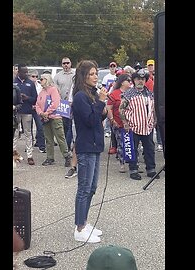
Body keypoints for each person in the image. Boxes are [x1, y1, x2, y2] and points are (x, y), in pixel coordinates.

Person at [72, 60, 107, 243]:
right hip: (86, 147)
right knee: (84, 189)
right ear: (84, 76)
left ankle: (84, 221)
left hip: (95, 146)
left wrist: (102, 104)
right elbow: (90, 120)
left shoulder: (92, 94)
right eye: (92, 74)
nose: (95, 77)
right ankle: (79, 228)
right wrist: (100, 102)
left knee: (92, 188)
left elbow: (100, 116)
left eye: (96, 73)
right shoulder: (80, 97)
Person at [119, 69, 159, 180]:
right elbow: (121, 108)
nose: (140, 81)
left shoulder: (150, 94)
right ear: (134, 80)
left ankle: (151, 169)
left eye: (142, 79)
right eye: (138, 79)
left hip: (148, 126)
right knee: (133, 149)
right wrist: (125, 123)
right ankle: (133, 170)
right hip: (134, 126)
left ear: (145, 80)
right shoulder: (128, 94)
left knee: (150, 149)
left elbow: (153, 108)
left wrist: (154, 119)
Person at [35, 73, 72, 167]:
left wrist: (47, 112)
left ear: (47, 80)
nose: (40, 81)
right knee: (48, 138)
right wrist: (41, 113)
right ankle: (50, 157)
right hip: (45, 118)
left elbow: (56, 103)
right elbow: (37, 104)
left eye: (42, 79)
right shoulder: (41, 92)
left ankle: (66, 156)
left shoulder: (53, 90)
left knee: (60, 138)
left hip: (55, 117)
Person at [13, 64, 38, 166]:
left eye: (27, 71)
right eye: (24, 72)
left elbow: (35, 98)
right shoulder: (14, 82)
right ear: (18, 72)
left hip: (27, 111)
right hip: (15, 111)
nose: (26, 74)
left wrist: (27, 98)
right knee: (14, 133)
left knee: (28, 133)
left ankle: (29, 156)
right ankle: (14, 153)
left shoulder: (30, 83)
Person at [107, 74, 132, 173]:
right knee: (121, 144)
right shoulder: (114, 94)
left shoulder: (131, 93)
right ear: (122, 82)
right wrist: (113, 120)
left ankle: (132, 163)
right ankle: (122, 163)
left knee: (131, 144)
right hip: (118, 123)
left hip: (131, 123)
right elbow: (109, 108)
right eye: (128, 80)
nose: (130, 82)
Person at [54, 57, 76, 151]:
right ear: (62, 65)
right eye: (64, 63)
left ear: (71, 63)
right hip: (62, 104)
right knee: (65, 126)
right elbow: (55, 89)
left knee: (72, 125)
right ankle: (66, 145)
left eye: (67, 63)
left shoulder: (75, 74)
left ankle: (70, 145)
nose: (66, 65)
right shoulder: (58, 76)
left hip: (73, 103)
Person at [28, 70, 46, 153]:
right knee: (28, 129)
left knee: (40, 127)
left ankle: (41, 146)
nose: (35, 78)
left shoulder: (40, 86)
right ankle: (29, 145)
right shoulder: (27, 85)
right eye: (33, 76)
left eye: (36, 76)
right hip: (29, 108)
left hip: (38, 109)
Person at [102, 61, 118, 138]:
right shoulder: (106, 77)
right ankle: (107, 130)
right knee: (108, 113)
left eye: (114, 66)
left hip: (116, 97)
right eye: (111, 67)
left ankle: (113, 129)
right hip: (108, 97)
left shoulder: (117, 76)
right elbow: (104, 87)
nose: (112, 68)